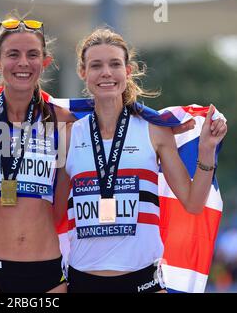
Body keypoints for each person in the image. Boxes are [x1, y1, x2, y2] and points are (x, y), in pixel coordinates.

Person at [54, 28, 227, 293]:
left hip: (143, 282)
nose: (106, 73)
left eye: (115, 64)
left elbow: (193, 203)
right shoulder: (69, 135)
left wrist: (206, 152)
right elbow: (54, 214)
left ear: (128, 70)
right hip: (83, 281)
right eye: (96, 65)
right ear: (83, 72)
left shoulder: (154, 130)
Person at [0, 13, 75, 293]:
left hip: (46, 268)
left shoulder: (63, 122)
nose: (23, 63)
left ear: (45, 62)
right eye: (13, 54)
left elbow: (59, 208)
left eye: (33, 54)